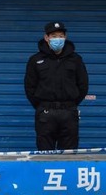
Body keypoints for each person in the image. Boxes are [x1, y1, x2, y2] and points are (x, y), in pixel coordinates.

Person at [24, 21, 89, 151]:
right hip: (45, 113)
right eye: (54, 36)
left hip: (69, 112)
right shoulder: (35, 60)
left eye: (60, 35)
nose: (57, 39)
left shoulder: (75, 59)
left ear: (65, 37)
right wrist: (42, 106)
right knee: (45, 153)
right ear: (46, 38)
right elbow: (30, 87)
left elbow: (83, 85)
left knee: (69, 154)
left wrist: (71, 104)